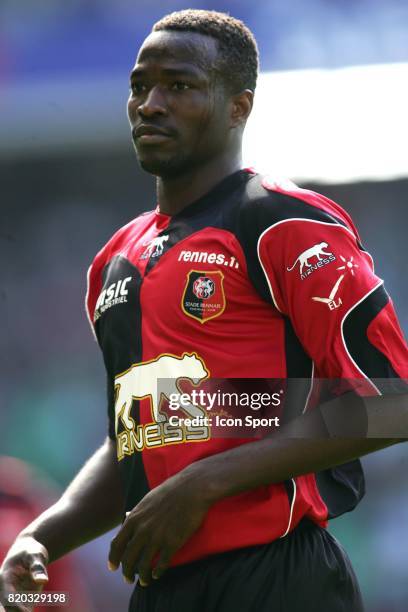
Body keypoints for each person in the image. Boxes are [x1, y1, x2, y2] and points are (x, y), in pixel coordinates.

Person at [1, 9, 407, 612]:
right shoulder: (115, 262)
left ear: (239, 106)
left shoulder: (280, 221)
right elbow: (142, 433)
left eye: (181, 85)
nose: (151, 104)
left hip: (277, 576)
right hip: (162, 588)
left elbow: (391, 403)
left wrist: (206, 481)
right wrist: (40, 537)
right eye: (140, 86)